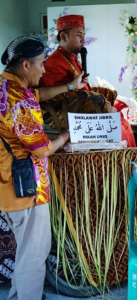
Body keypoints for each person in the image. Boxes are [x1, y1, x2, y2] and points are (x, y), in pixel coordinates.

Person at [0, 36, 87, 300]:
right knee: (34, 253)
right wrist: (67, 135)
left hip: (9, 183)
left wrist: (70, 85)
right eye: (40, 64)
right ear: (26, 64)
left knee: (26, 250)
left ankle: (18, 295)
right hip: (26, 188)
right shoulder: (19, 101)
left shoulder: (7, 87)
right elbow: (41, 149)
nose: (45, 70)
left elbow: (37, 94)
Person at [39, 14, 136, 147]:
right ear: (63, 36)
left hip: (84, 109)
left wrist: (103, 102)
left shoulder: (71, 58)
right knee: (118, 125)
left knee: (123, 122)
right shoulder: (54, 62)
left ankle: (130, 163)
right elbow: (59, 99)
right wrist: (103, 106)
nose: (83, 40)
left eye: (84, 35)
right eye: (79, 35)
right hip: (71, 116)